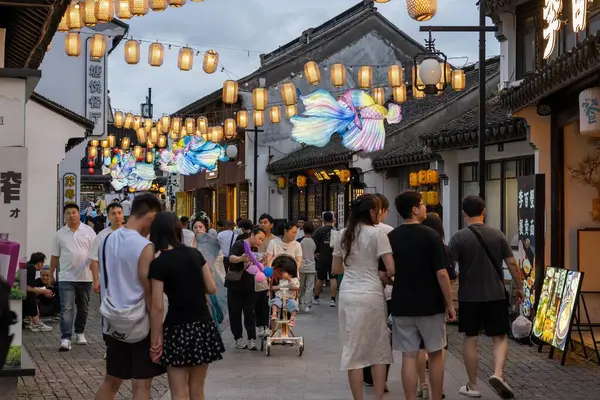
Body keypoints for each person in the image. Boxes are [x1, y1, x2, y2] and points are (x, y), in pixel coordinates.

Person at [449, 195, 523, 399]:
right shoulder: (497, 234)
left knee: (470, 338)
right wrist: (519, 288)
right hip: (495, 295)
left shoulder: (458, 237)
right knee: (499, 337)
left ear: (464, 214)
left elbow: (449, 268)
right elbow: (512, 264)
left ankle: (472, 385)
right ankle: (498, 374)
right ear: (484, 212)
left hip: (469, 297)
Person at [95, 193, 165, 400]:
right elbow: (150, 293)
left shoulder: (107, 239)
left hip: (113, 320)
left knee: (111, 380)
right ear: (151, 216)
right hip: (139, 324)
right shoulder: (144, 246)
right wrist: (156, 336)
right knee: (141, 386)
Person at [385, 191, 455, 400]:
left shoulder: (392, 237)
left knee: (408, 354)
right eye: (423, 205)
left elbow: (384, 273)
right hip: (430, 304)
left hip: (402, 303)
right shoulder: (431, 236)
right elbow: (442, 273)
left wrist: (397, 282)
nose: (426, 208)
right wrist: (450, 304)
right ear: (414, 209)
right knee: (435, 353)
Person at [148, 212, 224, 400]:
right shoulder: (195, 254)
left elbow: (157, 307)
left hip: (176, 328)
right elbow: (212, 288)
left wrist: (155, 339)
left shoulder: (158, 264)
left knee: (178, 391)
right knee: (197, 390)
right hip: (202, 325)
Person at [332, 194, 394, 400]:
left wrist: (352, 270)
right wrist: (378, 274)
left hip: (348, 293)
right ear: (371, 212)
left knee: (353, 348)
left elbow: (335, 268)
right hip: (372, 294)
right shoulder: (378, 234)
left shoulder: (342, 234)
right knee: (378, 348)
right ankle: (378, 397)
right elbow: (391, 269)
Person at [415, 212, 458, 399]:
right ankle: (437, 390)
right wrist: (450, 304)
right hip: (436, 303)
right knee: (439, 348)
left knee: (418, 347)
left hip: (415, 301)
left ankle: (422, 384)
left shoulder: (414, 247)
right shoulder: (445, 249)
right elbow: (449, 276)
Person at [50, 203, 96, 351]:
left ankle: (80, 332)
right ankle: (65, 338)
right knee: (67, 308)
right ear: (65, 216)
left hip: (85, 277)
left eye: (74, 212)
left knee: (83, 308)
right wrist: (51, 274)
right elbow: (54, 256)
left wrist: (97, 277)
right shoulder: (60, 234)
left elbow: (95, 255)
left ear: (79, 214)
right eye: (68, 213)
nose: (71, 215)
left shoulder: (89, 231)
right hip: (66, 277)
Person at [363, 194, 393, 389]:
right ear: (381, 211)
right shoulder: (388, 232)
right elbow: (391, 267)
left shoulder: (349, 232)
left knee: (365, 333)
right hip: (384, 290)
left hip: (358, 290)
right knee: (383, 336)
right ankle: (380, 378)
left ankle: (367, 374)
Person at [226, 227, 266, 350]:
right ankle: (238, 338)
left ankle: (252, 339)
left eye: (263, 239)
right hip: (235, 283)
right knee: (235, 312)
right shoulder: (240, 244)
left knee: (250, 312)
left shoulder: (255, 249)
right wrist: (241, 259)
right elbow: (231, 258)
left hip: (249, 284)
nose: (260, 241)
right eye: (259, 238)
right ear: (252, 235)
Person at [265, 222, 302, 330]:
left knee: (290, 305)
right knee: (275, 303)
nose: (295, 235)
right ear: (285, 231)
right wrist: (270, 273)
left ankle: (286, 333)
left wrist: (291, 272)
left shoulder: (297, 245)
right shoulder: (274, 243)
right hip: (276, 277)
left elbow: (299, 261)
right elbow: (269, 259)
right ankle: (273, 332)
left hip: (291, 276)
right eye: (293, 232)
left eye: (295, 232)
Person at [90, 202, 125, 295]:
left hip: (127, 283)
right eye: (113, 213)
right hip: (107, 283)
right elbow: (94, 260)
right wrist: (95, 281)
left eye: (119, 213)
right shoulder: (102, 236)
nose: (117, 216)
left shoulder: (131, 234)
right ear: (108, 216)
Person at [23, 253, 53, 332]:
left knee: (30, 294)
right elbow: (29, 288)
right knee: (31, 294)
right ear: (39, 263)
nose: (42, 265)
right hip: (18, 293)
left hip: (17, 291)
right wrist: (44, 291)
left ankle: (33, 322)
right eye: (43, 263)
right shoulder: (31, 268)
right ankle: (36, 323)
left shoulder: (27, 266)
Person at [313, 211, 337, 307]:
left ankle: (316, 298)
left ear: (323, 220)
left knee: (320, 278)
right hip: (333, 257)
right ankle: (333, 299)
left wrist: (316, 252)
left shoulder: (318, 231)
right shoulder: (336, 231)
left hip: (322, 257)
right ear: (333, 220)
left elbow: (313, 243)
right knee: (333, 278)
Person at [269, 262, 300, 328]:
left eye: (284, 272)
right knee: (275, 302)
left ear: (290, 274)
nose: (282, 274)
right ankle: (274, 314)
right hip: (280, 297)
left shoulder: (294, 280)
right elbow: (276, 287)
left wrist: (289, 279)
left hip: (289, 298)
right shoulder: (281, 281)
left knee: (294, 305)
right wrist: (276, 287)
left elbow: (296, 287)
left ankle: (292, 319)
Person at [299, 221, 316, 312]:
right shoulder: (313, 242)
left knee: (300, 286)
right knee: (309, 286)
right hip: (311, 266)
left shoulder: (300, 242)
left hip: (302, 265)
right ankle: (307, 305)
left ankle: (298, 302)